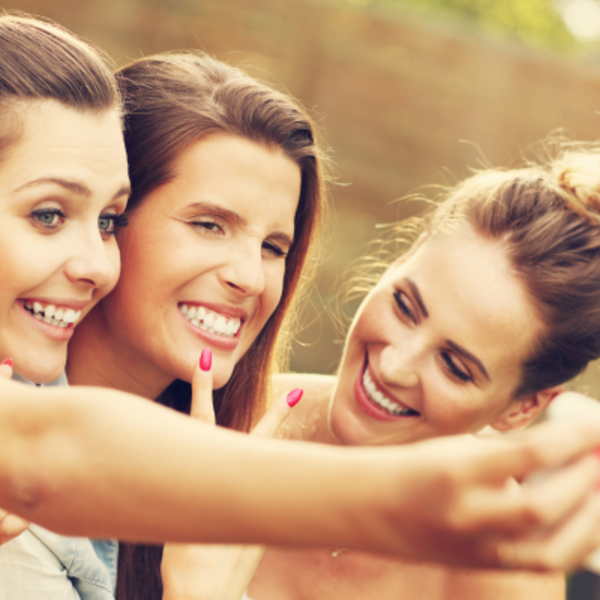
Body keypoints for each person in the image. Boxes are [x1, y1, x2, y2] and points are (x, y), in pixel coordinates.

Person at [0, 14, 599, 597]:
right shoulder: (63, 424)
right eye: (208, 224)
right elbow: (66, 443)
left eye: (273, 247)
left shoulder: (221, 418)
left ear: (524, 408)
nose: (248, 278)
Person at [160, 145, 600, 600]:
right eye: (405, 306)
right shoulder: (214, 424)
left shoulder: (506, 573)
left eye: (454, 366)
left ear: (522, 408)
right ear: (398, 263)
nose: (393, 366)